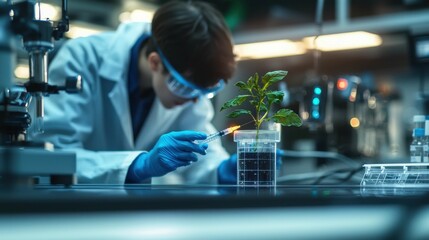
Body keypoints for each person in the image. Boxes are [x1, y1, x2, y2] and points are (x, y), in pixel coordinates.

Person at [34, 1, 237, 184]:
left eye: (205, 92)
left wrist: (226, 170)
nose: (194, 101)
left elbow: (203, 157)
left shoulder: (185, 84)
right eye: (184, 88)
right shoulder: (83, 58)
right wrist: (139, 165)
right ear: (155, 62)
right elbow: (57, 155)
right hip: (70, 211)